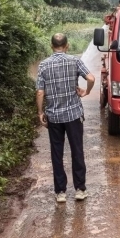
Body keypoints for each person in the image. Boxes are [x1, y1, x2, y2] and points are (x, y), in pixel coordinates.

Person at [36, 33, 96, 203]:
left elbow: (40, 92)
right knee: (77, 150)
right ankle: (80, 189)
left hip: (54, 117)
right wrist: (87, 91)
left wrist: (40, 112)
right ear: (67, 45)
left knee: (57, 153)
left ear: (51, 46)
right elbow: (91, 78)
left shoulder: (43, 65)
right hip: (73, 115)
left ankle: (60, 192)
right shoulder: (74, 61)